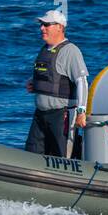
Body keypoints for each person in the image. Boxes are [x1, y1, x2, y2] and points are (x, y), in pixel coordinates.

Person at [25, 10, 88, 157]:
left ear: (59, 27)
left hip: (61, 115)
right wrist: (34, 84)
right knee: (31, 154)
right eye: (41, 25)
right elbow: (51, 76)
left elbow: (82, 82)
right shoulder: (44, 49)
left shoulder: (70, 51)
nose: (42, 28)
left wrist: (81, 112)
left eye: (46, 25)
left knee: (61, 157)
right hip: (40, 115)